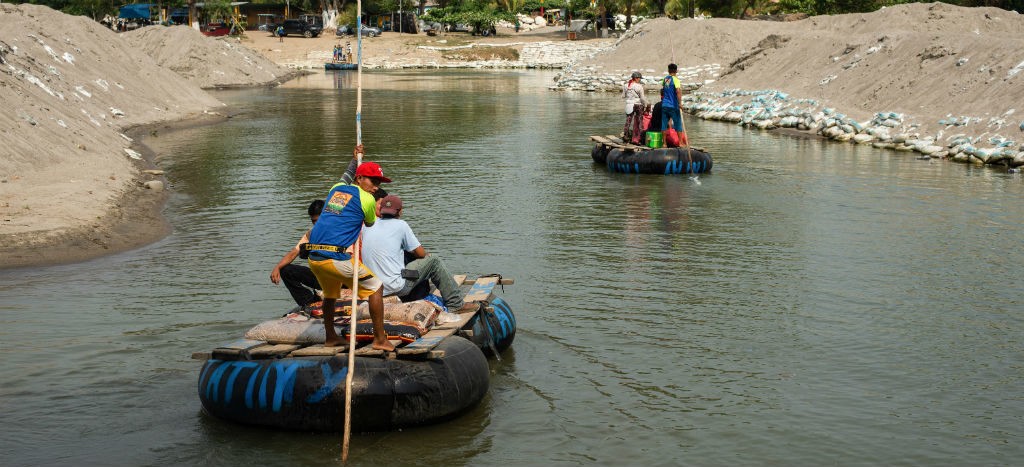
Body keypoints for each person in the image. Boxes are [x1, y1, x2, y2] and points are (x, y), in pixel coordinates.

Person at [305, 144, 394, 351]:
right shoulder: (368, 199)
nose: (376, 187)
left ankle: (330, 337)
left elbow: (345, 176)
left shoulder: (336, 190)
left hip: (314, 257)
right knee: (376, 287)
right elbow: (370, 223)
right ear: (360, 179)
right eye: (373, 181)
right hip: (335, 258)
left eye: (379, 182)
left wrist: (355, 160)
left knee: (330, 295)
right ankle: (380, 339)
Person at [361, 195, 479, 313]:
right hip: (394, 287)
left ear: (380, 210)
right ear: (400, 211)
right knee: (434, 261)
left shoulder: (367, 226)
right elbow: (421, 253)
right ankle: (456, 304)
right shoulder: (401, 225)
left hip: (372, 289)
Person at [270, 200, 324, 309]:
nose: (316, 224)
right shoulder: (311, 234)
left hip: (340, 276)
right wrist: (277, 267)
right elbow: (294, 252)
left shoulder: (339, 231)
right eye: (313, 221)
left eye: (318, 221)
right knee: (286, 270)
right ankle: (310, 302)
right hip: (321, 276)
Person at [622, 71, 648, 144]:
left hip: (629, 105)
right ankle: (639, 138)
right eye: (639, 78)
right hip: (638, 104)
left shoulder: (625, 85)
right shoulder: (639, 86)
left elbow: (623, 96)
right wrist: (645, 105)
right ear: (636, 78)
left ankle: (625, 136)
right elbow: (642, 98)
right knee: (639, 121)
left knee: (628, 121)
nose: (640, 80)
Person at [661, 63, 684, 136]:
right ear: (676, 71)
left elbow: (663, 90)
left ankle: (664, 143)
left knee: (664, 124)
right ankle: (680, 143)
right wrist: (680, 103)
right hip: (673, 105)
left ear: (668, 70)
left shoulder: (665, 79)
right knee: (678, 124)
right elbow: (678, 91)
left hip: (665, 104)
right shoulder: (676, 80)